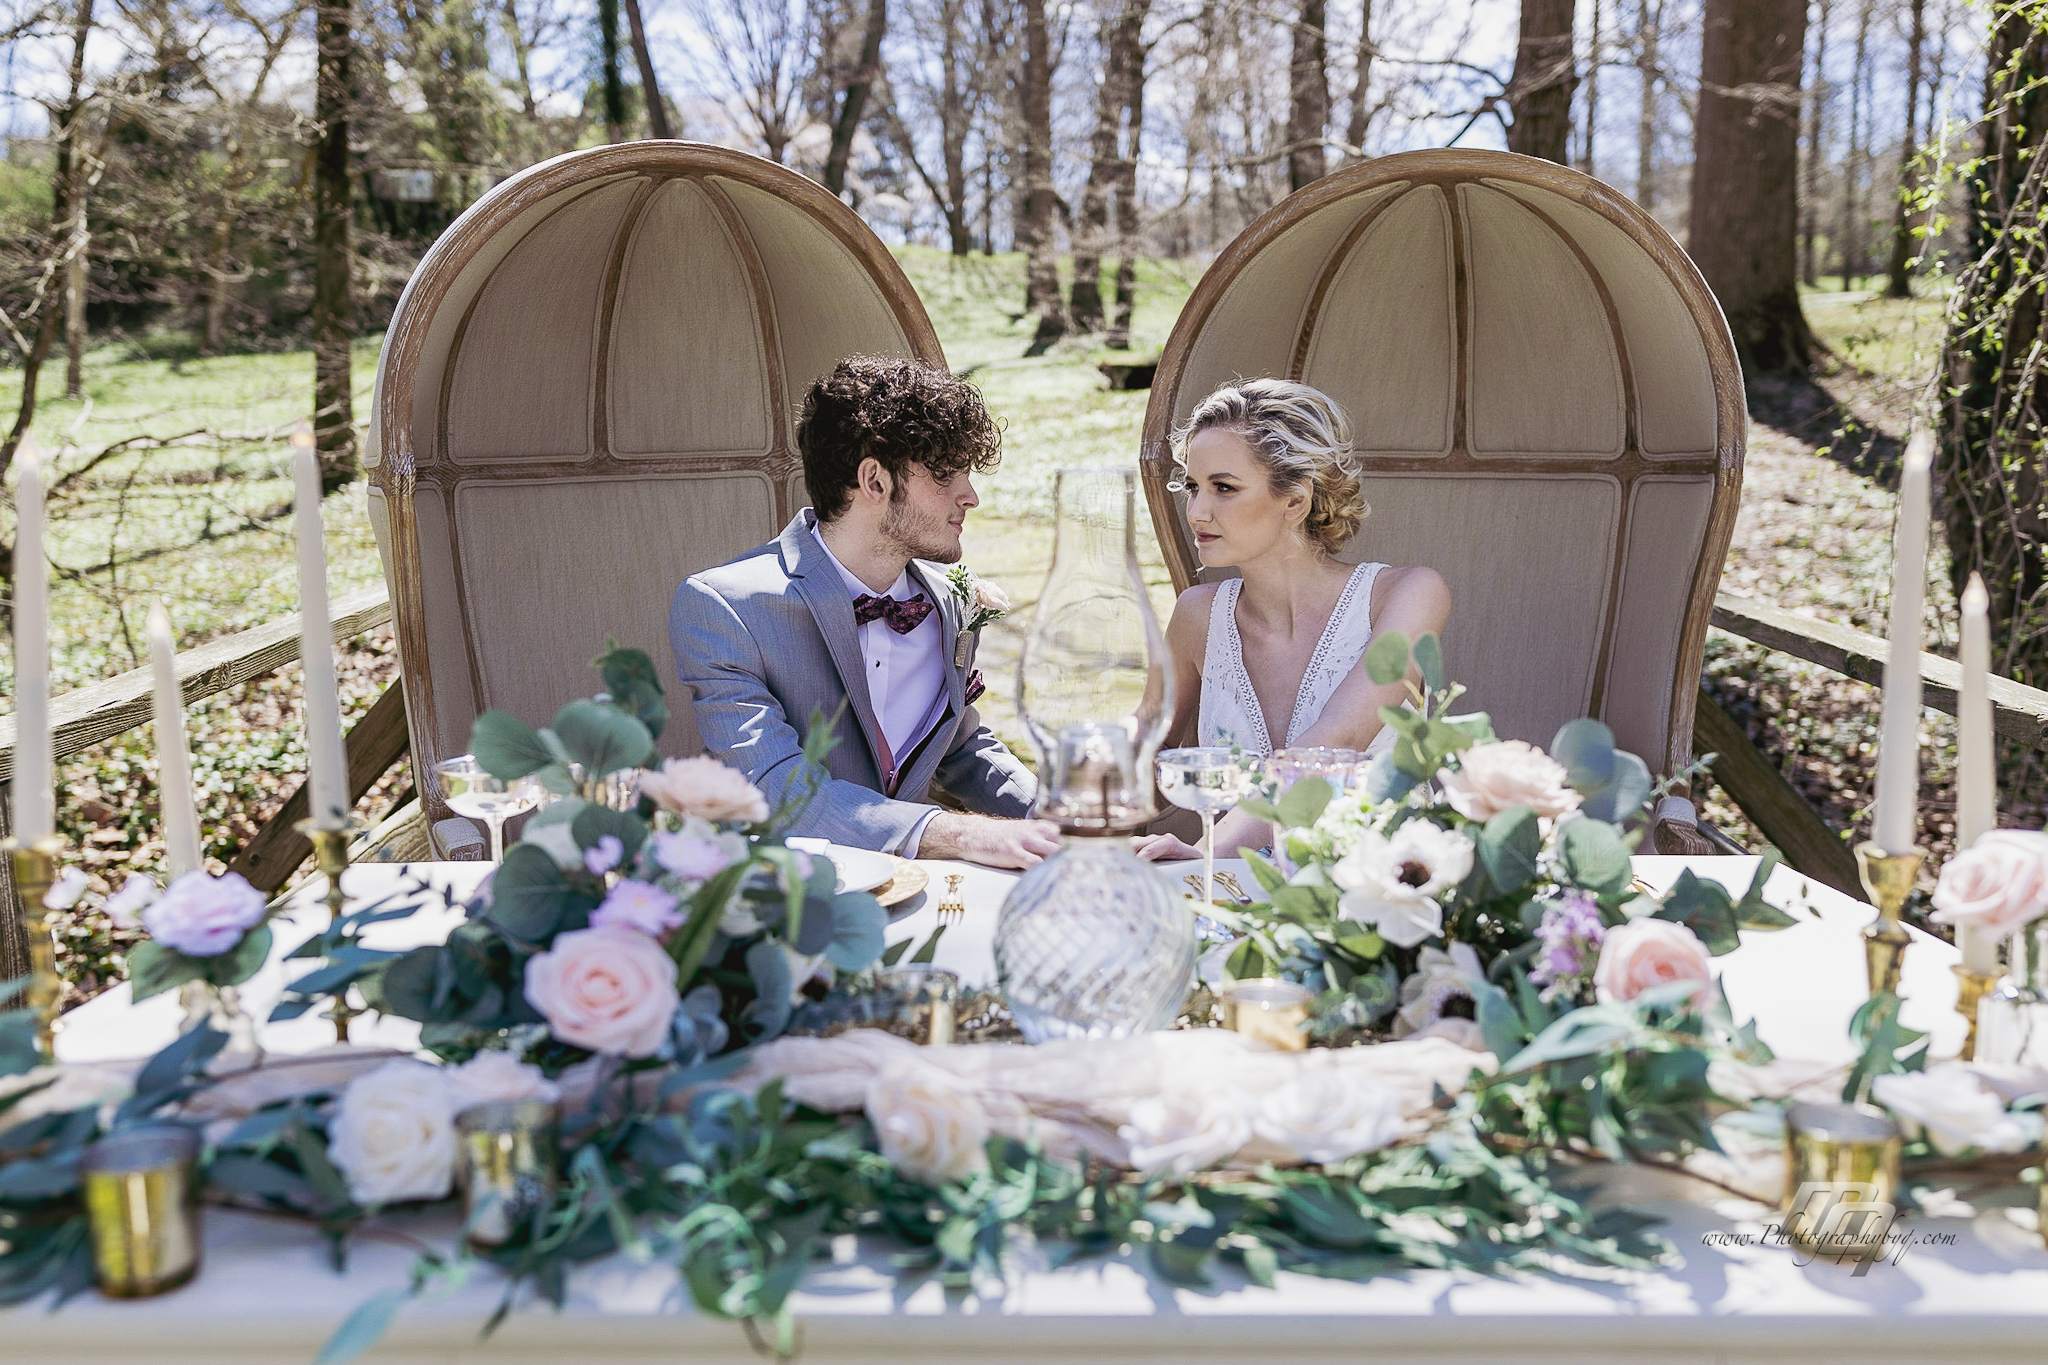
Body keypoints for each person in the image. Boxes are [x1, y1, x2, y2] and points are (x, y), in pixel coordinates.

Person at [670, 356, 1060, 869]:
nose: (971, 497)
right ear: (875, 480)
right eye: (946, 475)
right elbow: (776, 787)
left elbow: (957, 747)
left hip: (924, 896)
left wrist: (1062, 822)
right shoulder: (724, 609)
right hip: (787, 897)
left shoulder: (951, 601)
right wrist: (964, 834)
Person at [1134, 378, 1451, 862]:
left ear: (1295, 501)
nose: (1196, 512)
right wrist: (1056, 816)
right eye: (1193, 487)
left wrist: (1205, 860)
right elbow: (1144, 759)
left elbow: (1336, 744)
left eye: (1224, 488)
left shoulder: (1407, 594)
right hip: (1235, 893)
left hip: (1385, 890)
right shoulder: (1197, 615)